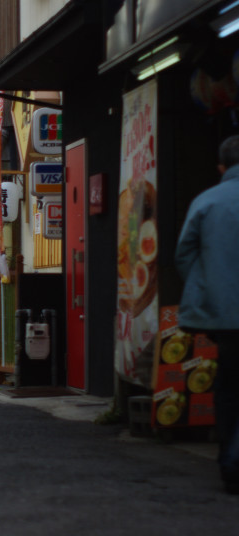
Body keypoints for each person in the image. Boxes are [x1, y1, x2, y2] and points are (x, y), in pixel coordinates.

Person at [176, 134, 239, 494]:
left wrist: (206, 290)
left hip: (222, 315)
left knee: (228, 387)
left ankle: (230, 462)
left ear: (220, 167)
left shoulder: (206, 201)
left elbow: (184, 256)